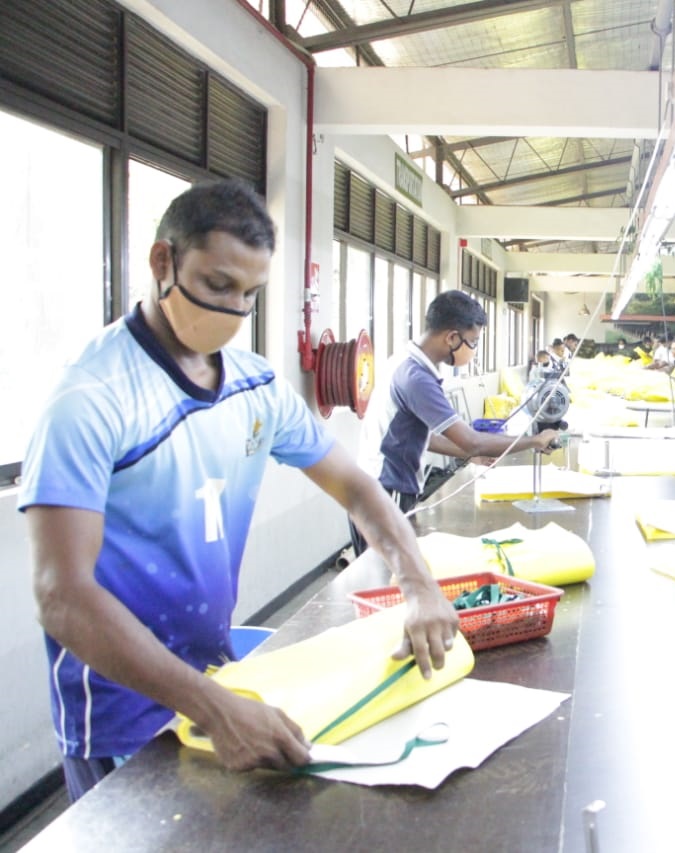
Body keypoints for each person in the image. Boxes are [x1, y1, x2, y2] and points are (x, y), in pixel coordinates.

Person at [19, 180, 460, 802]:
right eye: (218, 286)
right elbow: (61, 595)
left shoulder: (255, 387)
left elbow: (357, 486)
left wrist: (418, 584)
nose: (233, 312)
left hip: (220, 682)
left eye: (250, 295)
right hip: (123, 716)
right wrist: (214, 707)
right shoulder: (94, 400)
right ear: (162, 262)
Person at [351, 290, 559, 556]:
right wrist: (535, 441)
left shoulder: (404, 361)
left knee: (390, 577)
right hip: (384, 490)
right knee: (386, 579)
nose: (473, 350)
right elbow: (472, 441)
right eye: (473, 342)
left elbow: (426, 437)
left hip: (376, 488)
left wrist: (469, 453)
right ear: (451, 337)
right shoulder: (416, 377)